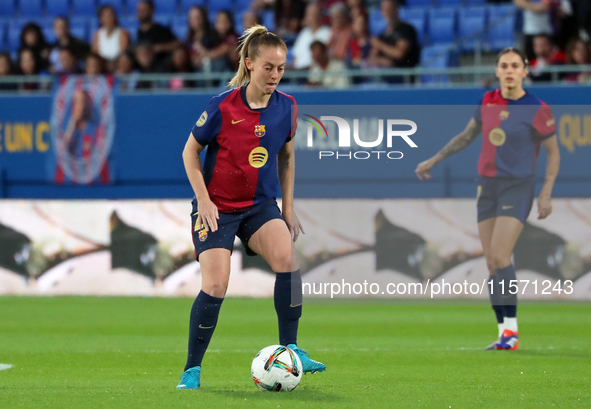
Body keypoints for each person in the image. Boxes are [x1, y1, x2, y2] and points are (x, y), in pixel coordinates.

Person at [177, 25, 326, 390]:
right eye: (268, 68)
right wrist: (205, 201)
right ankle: (191, 371)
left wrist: (287, 209)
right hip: (217, 208)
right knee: (215, 285)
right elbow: (190, 153)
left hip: (259, 205)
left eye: (281, 68)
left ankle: (291, 348)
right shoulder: (222, 107)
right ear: (249, 64)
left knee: (288, 259)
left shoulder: (287, 108)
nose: (275, 75)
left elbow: (287, 158)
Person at [415, 48, 561, 351]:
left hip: (517, 187)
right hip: (487, 188)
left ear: (524, 71)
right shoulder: (488, 101)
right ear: (497, 71)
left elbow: (554, 153)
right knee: (492, 264)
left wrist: (546, 193)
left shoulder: (537, 108)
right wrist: (434, 160)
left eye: (515, 66)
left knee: (499, 256)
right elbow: (467, 136)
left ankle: (511, 332)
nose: (509, 71)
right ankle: (503, 332)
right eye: (504, 66)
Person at [370, 0, 420, 82]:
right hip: (384, 73)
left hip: (403, 75)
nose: (387, 13)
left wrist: (380, 45)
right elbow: (372, 58)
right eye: (384, 10)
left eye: (389, 9)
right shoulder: (382, 35)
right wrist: (382, 61)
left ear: (396, 10)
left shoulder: (407, 30)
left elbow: (399, 53)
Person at [92, 5, 130, 70]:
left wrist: (113, 62)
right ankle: (92, 80)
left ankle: (120, 79)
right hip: (102, 63)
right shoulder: (97, 34)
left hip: (117, 62)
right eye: (105, 16)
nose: (108, 18)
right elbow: (95, 53)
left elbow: (123, 51)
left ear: (114, 17)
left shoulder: (122, 33)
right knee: (92, 61)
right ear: (101, 19)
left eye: (110, 15)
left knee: (124, 61)